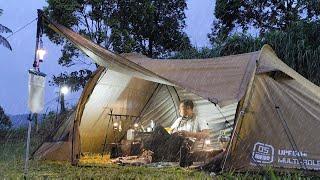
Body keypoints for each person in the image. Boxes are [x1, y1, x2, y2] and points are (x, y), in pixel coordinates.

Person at [143, 99, 210, 167]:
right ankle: (148, 152)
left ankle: (155, 156)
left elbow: (206, 134)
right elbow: (171, 130)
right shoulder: (179, 120)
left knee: (178, 137)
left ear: (188, 108)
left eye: (180, 109)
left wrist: (188, 134)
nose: (179, 111)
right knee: (158, 128)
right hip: (172, 139)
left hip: (185, 143)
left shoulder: (199, 120)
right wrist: (168, 132)